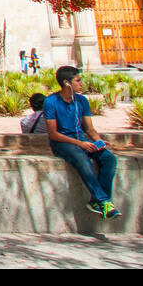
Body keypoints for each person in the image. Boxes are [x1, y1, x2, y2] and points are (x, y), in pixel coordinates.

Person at [44, 65, 119, 219]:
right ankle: (104, 201)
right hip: (62, 144)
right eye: (78, 81)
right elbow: (53, 133)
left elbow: (90, 129)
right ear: (67, 83)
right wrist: (80, 144)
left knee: (109, 158)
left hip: (82, 141)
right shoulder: (51, 102)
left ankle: (97, 201)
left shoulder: (82, 101)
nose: (81, 84)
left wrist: (99, 142)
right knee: (81, 158)